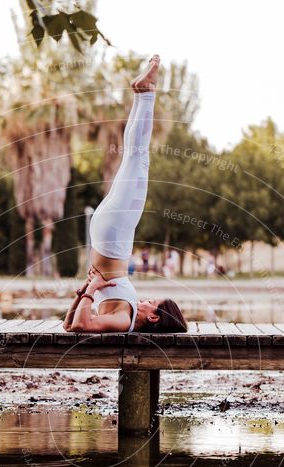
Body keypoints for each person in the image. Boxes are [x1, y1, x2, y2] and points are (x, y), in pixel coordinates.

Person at [63, 55, 187, 335]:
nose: (145, 300)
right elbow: (68, 325)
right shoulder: (124, 313)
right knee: (133, 158)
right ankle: (142, 95)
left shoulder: (123, 319)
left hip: (113, 237)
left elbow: (80, 326)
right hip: (108, 236)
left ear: (154, 318)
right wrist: (83, 292)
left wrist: (91, 290)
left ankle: (146, 94)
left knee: (138, 159)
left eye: (152, 303)